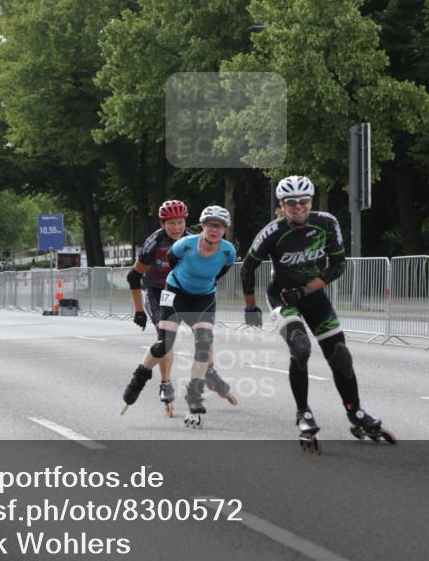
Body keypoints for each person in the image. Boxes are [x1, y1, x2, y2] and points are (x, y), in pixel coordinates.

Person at [240, 175, 394, 452]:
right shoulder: (272, 232)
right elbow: (247, 267)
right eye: (292, 203)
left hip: (312, 295)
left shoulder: (326, 222)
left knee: (340, 356)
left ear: (311, 201)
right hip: (282, 297)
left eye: (304, 201)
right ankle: (303, 413)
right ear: (282, 205)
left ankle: (355, 412)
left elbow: (338, 266)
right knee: (300, 347)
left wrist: (307, 289)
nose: (299, 207)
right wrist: (250, 307)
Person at [122, 206, 237, 428]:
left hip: (203, 297)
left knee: (204, 343)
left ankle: (195, 397)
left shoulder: (228, 251)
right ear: (203, 226)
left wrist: (201, 284)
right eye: (210, 225)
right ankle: (140, 378)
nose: (214, 230)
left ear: (225, 229)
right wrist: (139, 309)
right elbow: (169, 266)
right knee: (165, 343)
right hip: (173, 292)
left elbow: (220, 271)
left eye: (220, 226)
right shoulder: (182, 244)